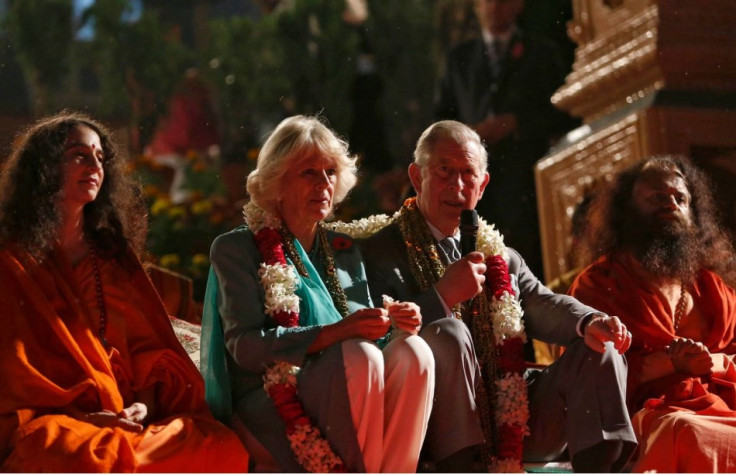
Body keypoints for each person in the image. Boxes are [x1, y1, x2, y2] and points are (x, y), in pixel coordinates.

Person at [359, 120, 636, 472]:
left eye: (468, 174)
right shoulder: (379, 249)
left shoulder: (499, 256)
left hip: (513, 416)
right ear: (417, 177)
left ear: (483, 184)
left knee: (599, 350)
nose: (457, 186)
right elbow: (375, 337)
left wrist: (590, 321)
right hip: (430, 427)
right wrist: (443, 295)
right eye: (444, 171)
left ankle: (603, 467)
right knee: (449, 332)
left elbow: (540, 302)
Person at [0, 111, 248, 472]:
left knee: (221, 447)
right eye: (79, 155)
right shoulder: (12, 262)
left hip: (126, 419)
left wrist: (142, 407)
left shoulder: (112, 259)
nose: (94, 166)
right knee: (72, 455)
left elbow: (146, 354)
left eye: (100, 158)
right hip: (55, 421)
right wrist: (84, 417)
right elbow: (12, 375)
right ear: (46, 165)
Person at [201, 114, 435, 472]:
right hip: (272, 405)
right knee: (360, 355)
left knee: (414, 351)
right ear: (277, 182)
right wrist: (339, 333)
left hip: (349, 385)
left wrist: (394, 323)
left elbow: (366, 335)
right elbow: (246, 348)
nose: (323, 184)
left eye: (330, 172)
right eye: (308, 173)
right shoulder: (237, 248)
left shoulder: (341, 248)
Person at [569, 155, 736, 472]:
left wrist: (716, 363)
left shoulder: (713, 288)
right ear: (626, 209)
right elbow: (587, 378)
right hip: (644, 419)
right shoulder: (600, 285)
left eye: (680, 198)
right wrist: (670, 363)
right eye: (658, 197)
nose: (671, 204)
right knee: (684, 430)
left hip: (722, 410)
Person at [434, 0, 577, 277]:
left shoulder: (542, 52)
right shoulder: (459, 59)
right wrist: (470, 134)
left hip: (527, 178)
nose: (495, 7)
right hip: (478, 183)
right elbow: (441, 118)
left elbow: (561, 112)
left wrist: (516, 122)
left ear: (519, 5)